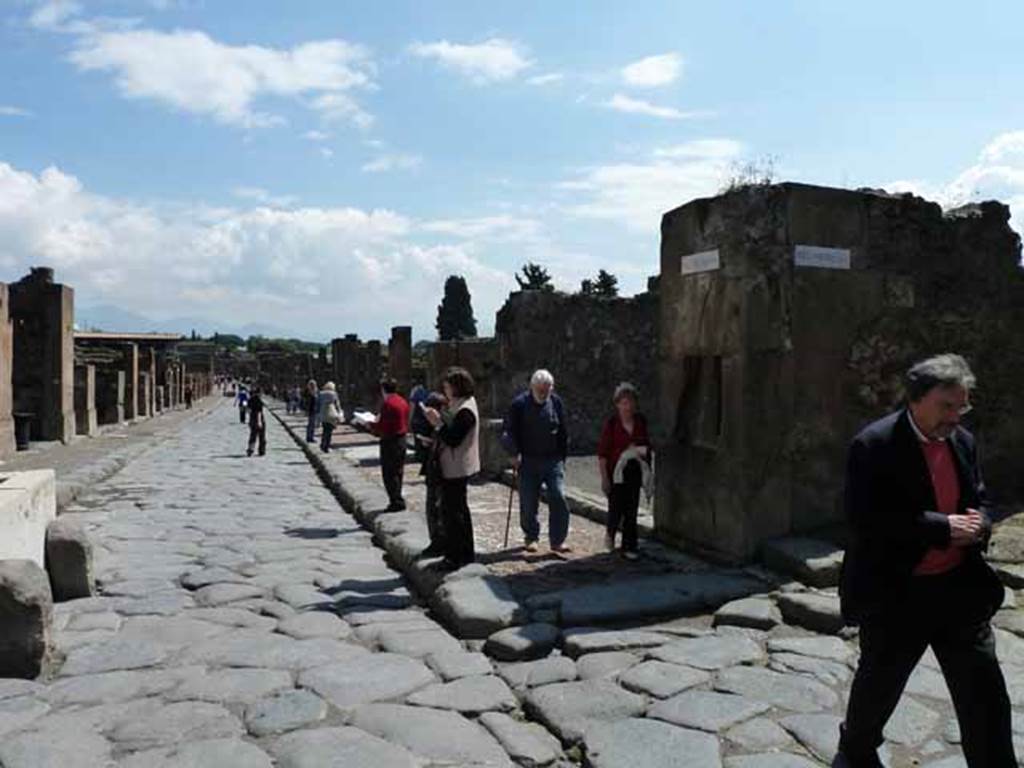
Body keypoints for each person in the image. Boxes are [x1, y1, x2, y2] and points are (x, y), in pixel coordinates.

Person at [837, 354, 1013, 767]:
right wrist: (942, 528)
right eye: (946, 406)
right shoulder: (874, 445)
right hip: (897, 592)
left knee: (985, 692)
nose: (955, 416)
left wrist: (981, 521)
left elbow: (981, 498)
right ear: (915, 400)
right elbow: (866, 518)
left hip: (957, 588)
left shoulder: (963, 442)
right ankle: (856, 752)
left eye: (962, 406)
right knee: (879, 684)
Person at [503, 369, 571, 553]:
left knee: (558, 496)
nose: (543, 394)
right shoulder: (519, 404)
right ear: (532, 387)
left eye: (547, 390)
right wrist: (513, 452)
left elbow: (563, 429)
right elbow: (508, 431)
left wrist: (563, 456)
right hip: (528, 460)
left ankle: (557, 540)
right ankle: (531, 537)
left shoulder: (555, 402)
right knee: (529, 501)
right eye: (540, 390)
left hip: (552, 459)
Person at [423, 367, 479, 569]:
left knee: (454, 513)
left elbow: (454, 438)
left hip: (456, 467)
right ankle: (461, 554)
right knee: (456, 511)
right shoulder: (460, 406)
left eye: (447, 387)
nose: (445, 391)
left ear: (456, 387)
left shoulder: (465, 410)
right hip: (453, 465)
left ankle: (457, 556)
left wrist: (437, 423)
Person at [597, 383, 652, 560]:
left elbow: (647, 445)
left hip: (634, 472)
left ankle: (630, 546)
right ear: (618, 404)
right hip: (616, 473)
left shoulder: (641, 421)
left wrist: (641, 456)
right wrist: (605, 478)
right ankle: (611, 532)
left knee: (631, 509)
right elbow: (603, 454)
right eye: (624, 402)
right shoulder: (612, 424)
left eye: (630, 402)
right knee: (615, 509)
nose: (627, 406)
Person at [417, 391, 449, 558]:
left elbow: (449, 442)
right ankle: (435, 541)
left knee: (438, 508)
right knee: (431, 507)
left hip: (442, 471)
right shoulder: (433, 424)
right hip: (432, 469)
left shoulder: (444, 422)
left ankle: (440, 542)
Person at [371, 378, 411, 512]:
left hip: (390, 440)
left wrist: (370, 424)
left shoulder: (388, 403)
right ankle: (398, 497)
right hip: (402, 438)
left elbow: (383, 425)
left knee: (389, 473)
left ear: (383, 389)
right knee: (398, 471)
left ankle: (395, 501)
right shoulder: (402, 401)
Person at [317, 381, 343, 453]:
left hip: (323, 413)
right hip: (331, 413)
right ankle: (326, 447)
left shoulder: (321, 394)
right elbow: (337, 405)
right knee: (329, 431)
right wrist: (340, 413)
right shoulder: (334, 394)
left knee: (325, 430)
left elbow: (318, 404)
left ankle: (322, 444)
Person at [246, 386, 266, 457]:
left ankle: (250, 449)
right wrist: (260, 421)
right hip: (259, 419)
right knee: (262, 436)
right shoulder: (259, 401)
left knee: (253, 435)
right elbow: (259, 412)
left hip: (252, 419)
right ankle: (261, 450)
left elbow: (248, 410)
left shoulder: (250, 399)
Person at [302, 379, 319, 443]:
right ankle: (310, 437)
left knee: (312, 424)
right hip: (311, 410)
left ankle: (310, 437)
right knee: (311, 424)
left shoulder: (315, 392)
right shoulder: (309, 392)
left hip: (314, 410)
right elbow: (307, 401)